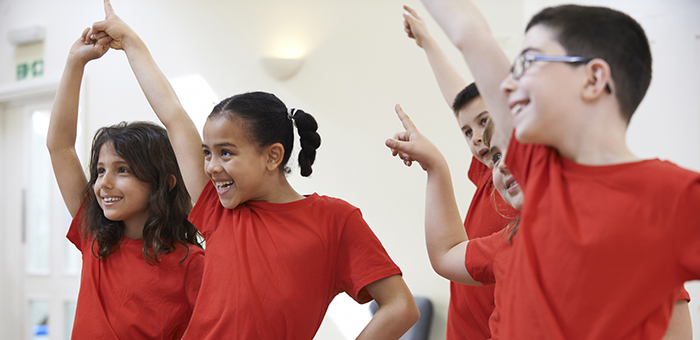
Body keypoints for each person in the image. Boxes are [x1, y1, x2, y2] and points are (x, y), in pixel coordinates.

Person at [89, 1, 420, 338]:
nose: (212, 167)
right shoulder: (218, 211)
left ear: (273, 156)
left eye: (226, 153)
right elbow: (173, 116)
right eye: (207, 153)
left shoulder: (336, 220)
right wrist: (131, 43)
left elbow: (400, 307)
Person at [417, 0, 699, 338]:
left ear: (594, 78)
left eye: (529, 64)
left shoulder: (669, 196)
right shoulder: (537, 179)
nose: (508, 86)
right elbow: (470, 34)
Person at [46, 27, 204, 339]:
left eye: (123, 170)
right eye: (101, 170)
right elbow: (59, 146)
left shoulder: (193, 264)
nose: (104, 182)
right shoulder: (94, 237)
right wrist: (75, 62)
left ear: (165, 182)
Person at [402, 5, 517, 339]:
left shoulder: (517, 185)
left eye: (485, 124)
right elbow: (460, 101)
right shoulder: (493, 171)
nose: (478, 138)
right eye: (467, 133)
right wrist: (427, 43)